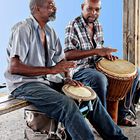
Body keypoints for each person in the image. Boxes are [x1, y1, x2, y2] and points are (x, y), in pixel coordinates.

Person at [5, 0, 128, 139]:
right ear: (36, 8)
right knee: (67, 105)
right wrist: (51, 70)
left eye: (54, 4)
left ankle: (118, 138)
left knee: (89, 97)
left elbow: (62, 60)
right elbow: (14, 67)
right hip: (23, 84)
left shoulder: (50, 32)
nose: (55, 7)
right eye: (50, 4)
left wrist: (67, 78)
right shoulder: (23, 29)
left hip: (45, 81)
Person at [64, 0, 139, 126]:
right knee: (100, 79)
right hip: (80, 69)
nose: (93, 13)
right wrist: (97, 51)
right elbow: (68, 55)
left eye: (97, 10)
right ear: (83, 7)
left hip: (98, 65)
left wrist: (106, 54)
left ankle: (122, 114)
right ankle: (103, 124)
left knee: (135, 73)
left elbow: (99, 51)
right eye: (89, 9)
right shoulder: (72, 25)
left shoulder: (98, 25)